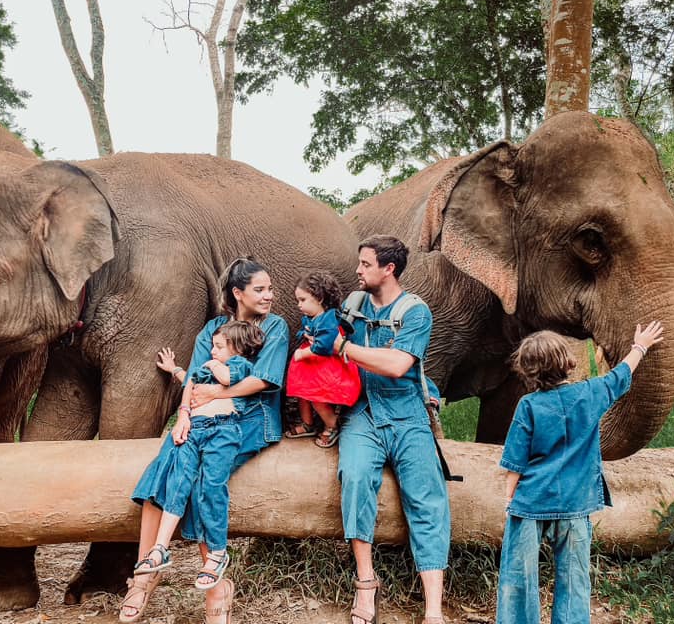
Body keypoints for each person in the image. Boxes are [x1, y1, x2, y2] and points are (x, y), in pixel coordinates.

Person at [119, 257, 289, 624]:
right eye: (260, 289)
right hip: (202, 417)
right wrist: (182, 417)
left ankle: (216, 588)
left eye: (270, 289)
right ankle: (146, 573)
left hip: (251, 418)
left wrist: (216, 397)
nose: (269, 296)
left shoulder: (274, 328)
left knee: (199, 479)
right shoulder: (212, 329)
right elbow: (194, 381)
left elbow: (262, 380)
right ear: (237, 293)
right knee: (167, 464)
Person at [496, 322, 665, 624]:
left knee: (518, 578)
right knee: (574, 580)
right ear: (568, 363)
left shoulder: (528, 406)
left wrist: (509, 498)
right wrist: (639, 346)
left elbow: (515, 461)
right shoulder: (590, 393)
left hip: (531, 504)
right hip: (576, 505)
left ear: (526, 371)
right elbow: (620, 376)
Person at [333, 235, 451, 624]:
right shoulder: (352, 305)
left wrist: (345, 350)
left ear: (389, 269)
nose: (357, 270)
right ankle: (366, 583)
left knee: (427, 496)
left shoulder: (416, 312)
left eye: (366, 264)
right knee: (354, 477)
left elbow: (398, 365)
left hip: (407, 413)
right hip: (361, 413)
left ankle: (433, 606)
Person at [128, 320, 264, 588]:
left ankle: (217, 551)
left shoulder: (239, 366)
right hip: (195, 430)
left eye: (219, 347)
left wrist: (211, 365)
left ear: (237, 348)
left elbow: (225, 378)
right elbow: (190, 383)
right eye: (212, 346)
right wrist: (177, 375)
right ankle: (159, 549)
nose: (212, 351)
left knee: (212, 485)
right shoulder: (210, 366)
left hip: (222, 431)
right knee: (178, 483)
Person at [284, 270, 361, 448]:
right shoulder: (311, 317)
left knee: (317, 398)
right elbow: (308, 331)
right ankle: (307, 423)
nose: (298, 305)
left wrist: (303, 353)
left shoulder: (329, 320)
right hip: (312, 366)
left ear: (319, 298)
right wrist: (304, 333)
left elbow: (324, 347)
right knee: (302, 392)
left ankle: (332, 424)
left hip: (326, 365)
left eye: (302, 300)